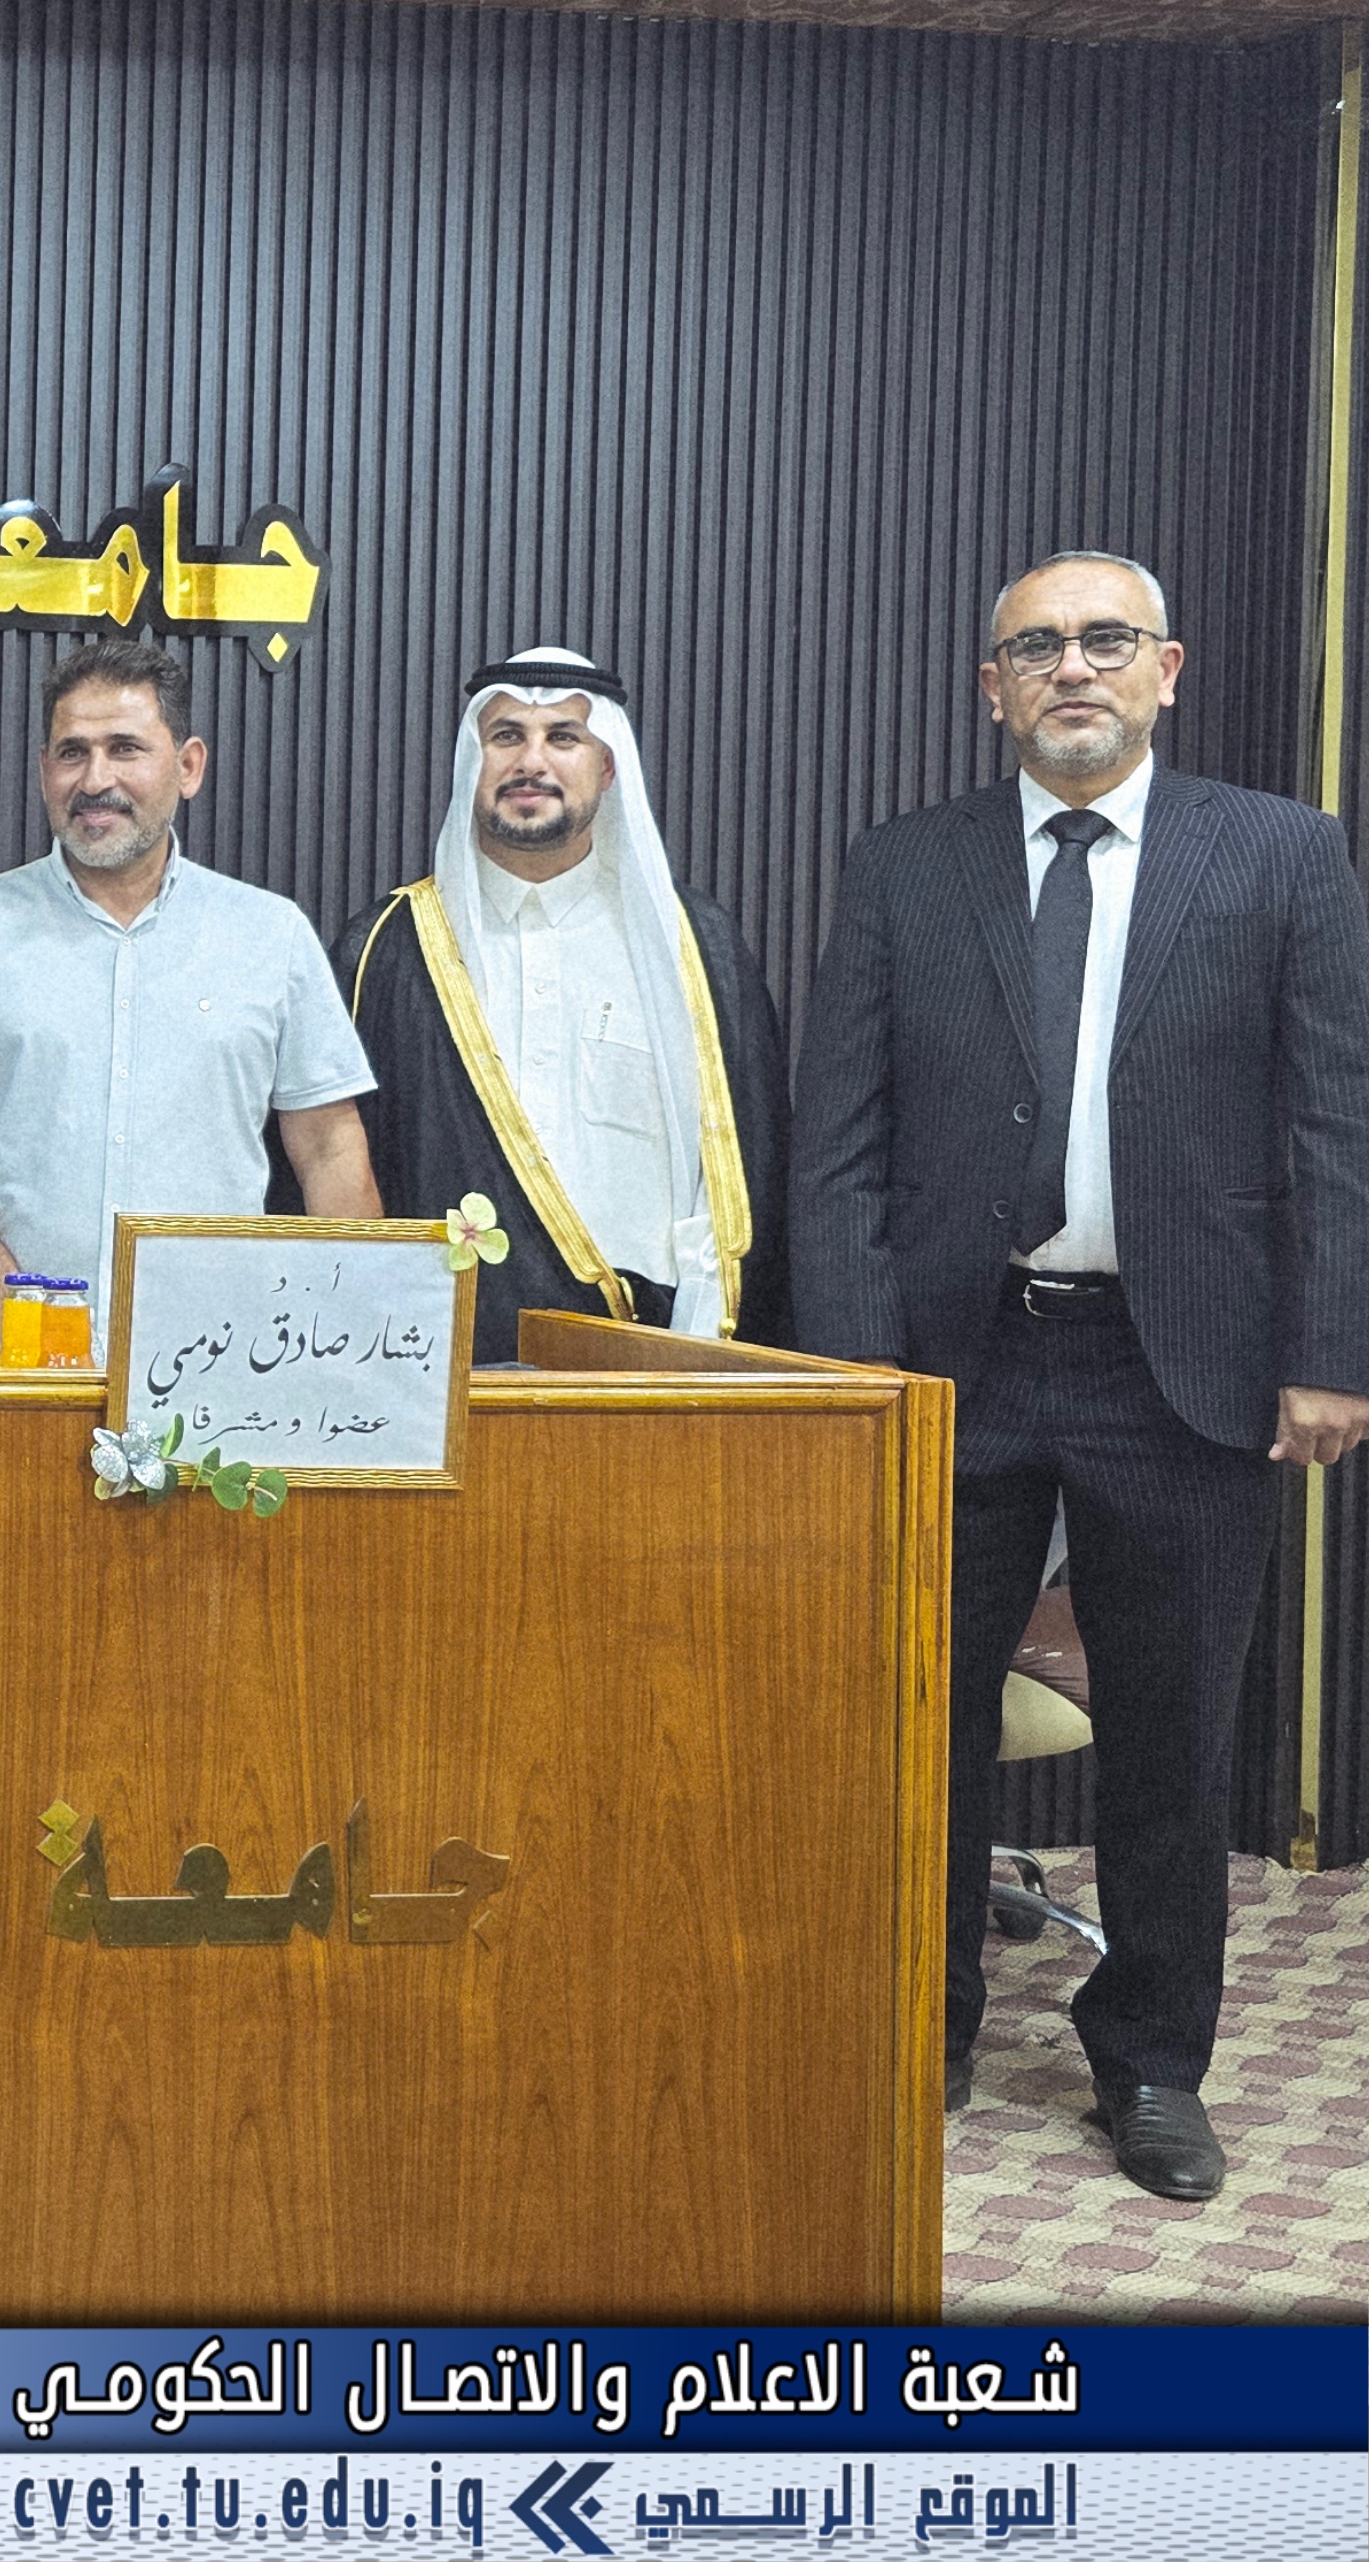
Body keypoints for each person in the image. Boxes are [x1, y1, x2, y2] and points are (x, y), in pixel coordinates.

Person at [793, 550, 1369, 2201]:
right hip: (953, 1362)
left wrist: (1327, 1350)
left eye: (1104, 640)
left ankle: (1152, 2064)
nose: (1071, 669)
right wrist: (861, 1376)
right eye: (1034, 646)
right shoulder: (904, 866)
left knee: (1173, 1742)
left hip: (1181, 1363)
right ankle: (924, 2030)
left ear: (1164, 669)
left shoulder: (1278, 855)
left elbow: (1331, 1123)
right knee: (916, 1726)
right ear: (991, 687)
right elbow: (839, 1147)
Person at [0, 638, 379, 1363]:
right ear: (44, 770)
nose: (96, 780)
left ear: (188, 766)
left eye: (125, 749)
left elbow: (330, 1149)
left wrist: (349, 1343)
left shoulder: (270, 935)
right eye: (72, 753)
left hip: (219, 1359)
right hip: (8, 1358)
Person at [333, 649, 788, 1360]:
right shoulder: (388, 950)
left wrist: (696, 1354)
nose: (531, 762)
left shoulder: (692, 948)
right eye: (506, 736)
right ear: (471, 762)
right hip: (442, 1364)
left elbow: (744, 1175)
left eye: (563, 737)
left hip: (654, 1365)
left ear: (607, 767)